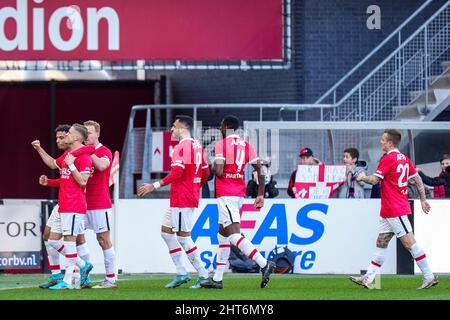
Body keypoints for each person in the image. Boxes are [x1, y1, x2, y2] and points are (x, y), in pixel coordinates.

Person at [351, 129, 438, 290]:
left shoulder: (388, 159)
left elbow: (375, 180)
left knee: (409, 243)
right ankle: (368, 278)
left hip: (395, 208)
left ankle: (429, 276)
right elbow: (417, 179)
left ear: (391, 143)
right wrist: (423, 200)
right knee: (381, 242)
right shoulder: (404, 158)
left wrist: (362, 177)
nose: (381, 142)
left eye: (383, 140)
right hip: (389, 209)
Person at [201, 115, 275, 290]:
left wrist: (211, 165)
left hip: (226, 194)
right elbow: (261, 169)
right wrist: (261, 194)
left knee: (234, 235)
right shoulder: (246, 145)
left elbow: (218, 172)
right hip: (239, 194)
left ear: (226, 126)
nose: (219, 128)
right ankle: (217, 278)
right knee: (222, 236)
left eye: (220, 125)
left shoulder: (222, 144)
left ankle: (264, 264)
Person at [137, 115, 211, 289]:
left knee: (184, 238)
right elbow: (206, 173)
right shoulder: (197, 146)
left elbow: (177, 172)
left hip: (181, 198)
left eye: (174, 126)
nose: (171, 129)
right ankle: (181, 272)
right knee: (166, 233)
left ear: (183, 129)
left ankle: (204, 275)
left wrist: (154, 185)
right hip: (185, 196)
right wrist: (195, 186)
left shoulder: (182, 147)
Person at [32, 125, 94, 289]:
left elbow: (83, 181)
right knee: (52, 240)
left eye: (70, 133)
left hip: (74, 205)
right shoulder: (68, 154)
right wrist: (39, 149)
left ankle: (66, 281)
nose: (66, 136)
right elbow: (53, 164)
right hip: (63, 205)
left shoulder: (84, 157)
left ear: (76, 138)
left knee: (70, 242)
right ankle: (83, 265)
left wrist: (72, 165)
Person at [81, 120, 117, 289]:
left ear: (97, 134)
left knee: (103, 240)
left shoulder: (104, 151)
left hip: (99, 203)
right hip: (80, 203)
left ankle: (110, 280)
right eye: (84, 133)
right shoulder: (81, 153)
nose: (86, 136)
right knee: (76, 239)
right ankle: (83, 276)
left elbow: (102, 166)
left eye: (89, 132)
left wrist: (89, 151)